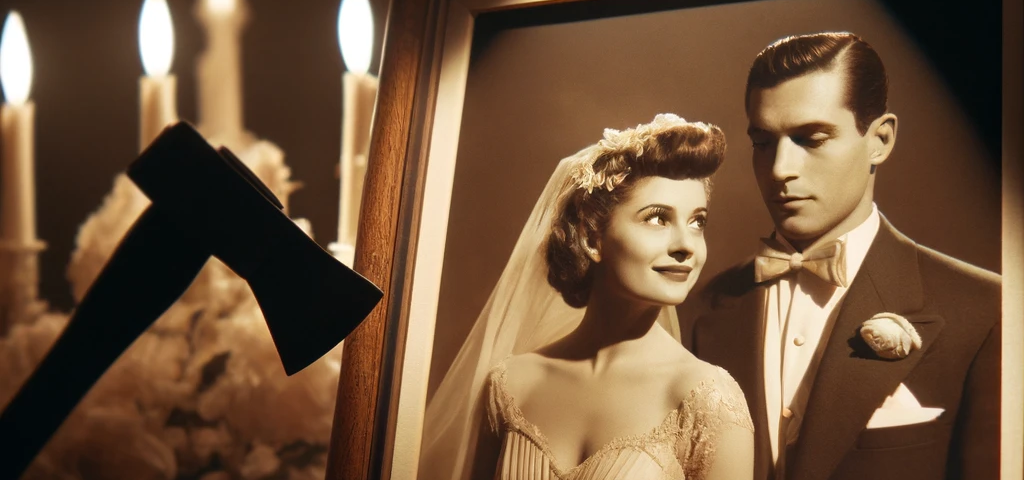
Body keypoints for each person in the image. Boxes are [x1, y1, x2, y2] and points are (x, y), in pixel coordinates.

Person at [689, 32, 1001, 480]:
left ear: (881, 139)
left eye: (811, 139)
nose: (780, 170)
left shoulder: (984, 310)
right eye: (763, 143)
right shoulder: (698, 311)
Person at [420, 114, 754, 480]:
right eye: (657, 219)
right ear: (592, 237)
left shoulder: (707, 399)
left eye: (697, 222)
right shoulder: (511, 384)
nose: (686, 246)